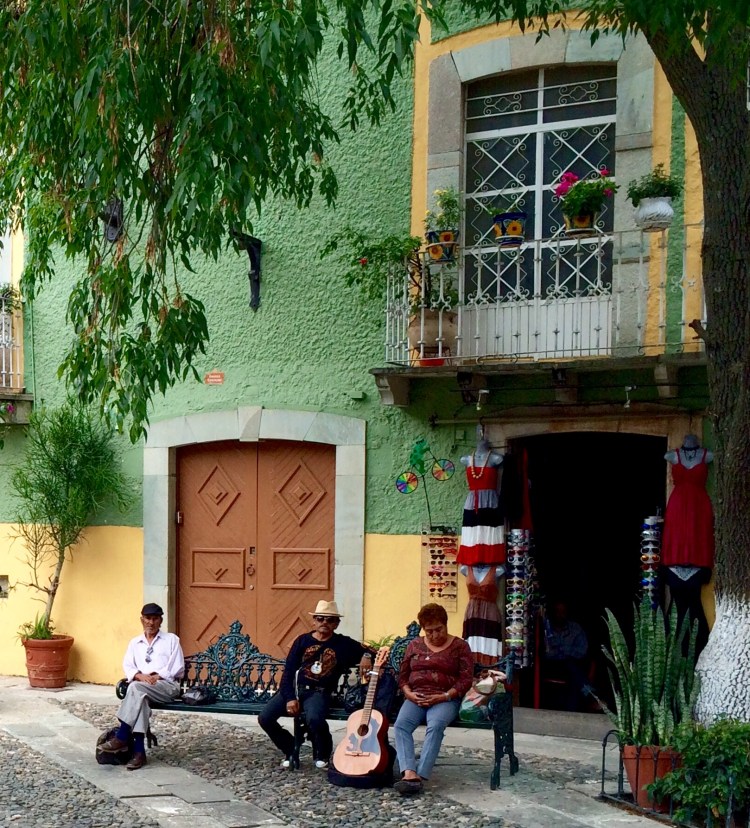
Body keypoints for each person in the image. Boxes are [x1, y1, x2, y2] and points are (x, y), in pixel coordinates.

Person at [258, 600, 383, 770]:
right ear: (314, 621)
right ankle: (290, 749)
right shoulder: (302, 641)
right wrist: (289, 698)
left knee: (315, 719)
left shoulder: (343, 643)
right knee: (265, 718)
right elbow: (288, 672)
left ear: (336, 624)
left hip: (319, 692)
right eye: (321, 618)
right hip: (295, 689)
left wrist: (366, 656)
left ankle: (322, 753)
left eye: (330, 620)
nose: (325, 622)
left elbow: (376, 651)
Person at [393, 603, 473, 796]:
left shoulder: (460, 646)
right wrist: (408, 693)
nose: (435, 635)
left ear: (446, 625)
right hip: (416, 696)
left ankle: (421, 775)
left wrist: (445, 696)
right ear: (423, 630)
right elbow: (403, 676)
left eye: (439, 630)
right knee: (401, 725)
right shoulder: (414, 645)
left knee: (436, 725)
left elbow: (466, 679)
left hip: (446, 698)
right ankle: (409, 772)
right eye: (429, 632)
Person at [99, 602, 185, 770]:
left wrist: (156, 676)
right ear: (141, 620)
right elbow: (128, 666)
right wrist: (140, 676)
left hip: (166, 686)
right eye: (147, 619)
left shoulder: (171, 640)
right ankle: (139, 753)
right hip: (142, 688)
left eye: (154, 619)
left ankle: (122, 735)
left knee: (135, 689)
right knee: (140, 698)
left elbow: (177, 667)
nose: (150, 623)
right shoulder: (135, 643)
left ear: (160, 620)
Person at [662, 434, 714, 652]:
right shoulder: (672, 456)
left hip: (699, 508)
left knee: (698, 535)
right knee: (677, 535)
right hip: (678, 507)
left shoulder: (707, 456)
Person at [457, 428, 506, 566]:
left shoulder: (496, 458)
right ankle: (472, 558)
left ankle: (490, 559)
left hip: (490, 501)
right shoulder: (466, 459)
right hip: (473, 501)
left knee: (490, 530)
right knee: (472, 530)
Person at [541, 601, 589, 712]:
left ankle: (572, 709)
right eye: (557, 611)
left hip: (572, 665)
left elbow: (583, 650)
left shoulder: (575, 629)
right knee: (571, 668)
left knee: (571, 669)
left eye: (562, 612)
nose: (560, 615)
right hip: (551, 666)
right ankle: (589, 694)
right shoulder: (546, 628)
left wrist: (561, 651)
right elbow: (546, 654)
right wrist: (564, 652)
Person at [459, 563, 504, 665]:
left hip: (490, 612)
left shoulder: (497, 569)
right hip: (472, 612)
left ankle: (490, 670)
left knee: (489, 643)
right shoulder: (465, 568)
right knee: (471, 642)